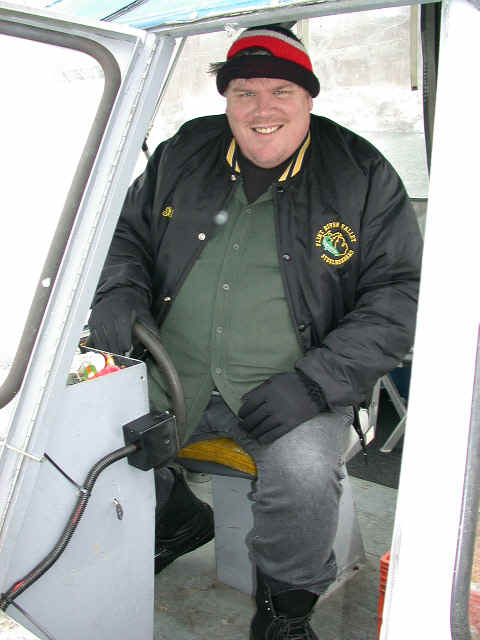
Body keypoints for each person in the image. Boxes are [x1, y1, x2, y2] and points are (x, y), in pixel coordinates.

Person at [88, 23, 423, 640]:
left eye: (281, 91)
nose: (262, 109)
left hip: (294, 389)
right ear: (226, 99)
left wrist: (316, 383)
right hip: (171, 373)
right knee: (81, 432)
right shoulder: (185, 151)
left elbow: (399, 293)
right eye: (245, 92)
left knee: (302, 478)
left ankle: (284, 613)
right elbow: (123, 234)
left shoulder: (361, 173)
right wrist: (120, 293)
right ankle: (178, 519)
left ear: (309, 96)